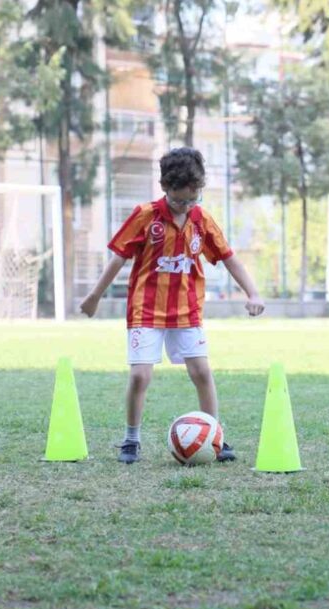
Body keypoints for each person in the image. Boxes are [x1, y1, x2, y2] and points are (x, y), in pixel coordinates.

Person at [80, 147, 265, 464]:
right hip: (146, 310)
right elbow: (119, 257)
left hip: (187, 311)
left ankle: (214, 437)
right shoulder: (145, 216)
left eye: (194, 200)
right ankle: (131, 440)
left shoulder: (201, 219)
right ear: (165, 187)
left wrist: (253, 293)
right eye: (180, 201)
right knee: (140, 377)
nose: (187, 206)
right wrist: (95, 295)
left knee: (202, 372)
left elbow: (228, 258)